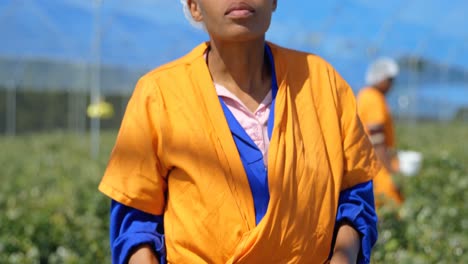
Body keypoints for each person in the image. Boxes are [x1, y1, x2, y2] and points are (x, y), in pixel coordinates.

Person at [99, 1, 380, 263]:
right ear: (194, 7)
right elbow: (136, 226)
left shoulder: (321, 82)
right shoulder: (159, 94)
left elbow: (354, 199)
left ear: (273, 1)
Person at [357, 58, 403, 206]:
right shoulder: (373, 99)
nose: (392, 84)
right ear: (380, 78)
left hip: (371, 166)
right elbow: (377, 141)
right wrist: (391, 172)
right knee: (391, 210)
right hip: (379, 169)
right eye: (390, 80)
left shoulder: (366, 96)